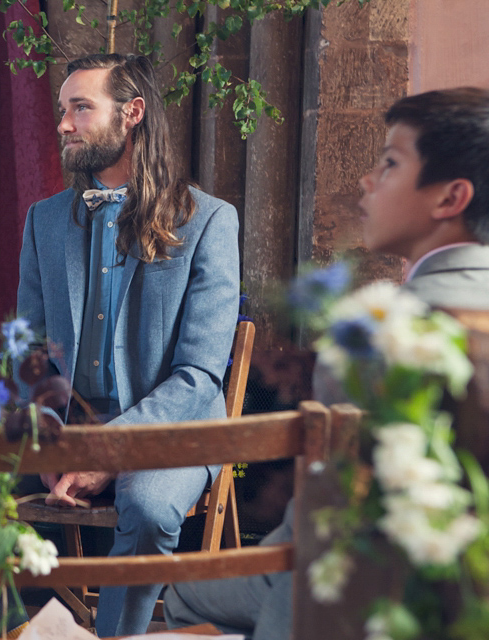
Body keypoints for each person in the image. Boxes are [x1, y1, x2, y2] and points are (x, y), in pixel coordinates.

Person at [0, 53, 240, 638]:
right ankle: (19, 631)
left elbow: (199, 376)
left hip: (166, 431)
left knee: (152, 508)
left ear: (131, 114)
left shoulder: (207, 220)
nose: (63, 124)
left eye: (81, 108)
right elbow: (29, 355)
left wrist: (104, 453)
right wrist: (53, 441)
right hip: (61, 426)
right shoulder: (45, 221)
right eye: (62, 110)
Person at [163, 87, 489, 640]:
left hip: (372, 597)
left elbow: (328, 537)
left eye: (390, 163)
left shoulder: (381, 336)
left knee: (186, 595)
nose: (366, 180)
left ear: (450, 197)